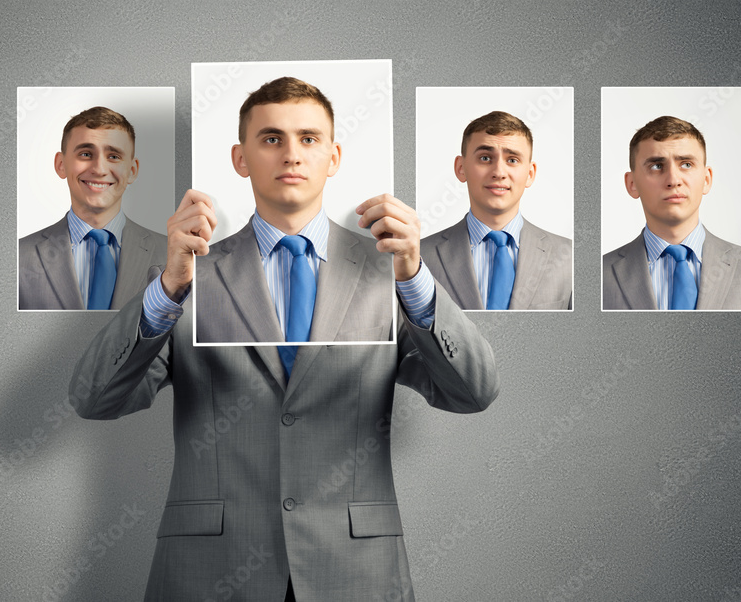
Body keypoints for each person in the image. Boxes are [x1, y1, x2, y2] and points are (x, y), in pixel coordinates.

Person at [70, 77, 499, 601]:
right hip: (210, 571)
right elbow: (93, 399)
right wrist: (166, 287)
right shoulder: (188, 276)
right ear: (241, 157)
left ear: (334, 156)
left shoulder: (388, 274)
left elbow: (473, 392)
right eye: (272, 138)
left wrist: (416, 279)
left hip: (355, 569)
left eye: (309, 139)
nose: (292, 154)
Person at [19, 106, 167, 310]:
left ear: (132, 171)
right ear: (61, 164)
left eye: (114, 156)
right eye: (86, 154)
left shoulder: (172, 255)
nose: (99, 169)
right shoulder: (18, 257)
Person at [602, 115, 741, 310]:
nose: (673, 180)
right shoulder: (598, 275)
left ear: (707, 179)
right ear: (632, 184)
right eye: (657, 166)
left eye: (686, 164)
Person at [421, 111, 572, 310]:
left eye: (512, 160)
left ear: (530, 173)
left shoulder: (570, 257)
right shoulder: (419, 257)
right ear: (461, 168)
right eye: (485, 158)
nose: (499, 172)